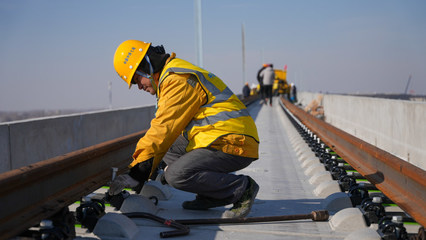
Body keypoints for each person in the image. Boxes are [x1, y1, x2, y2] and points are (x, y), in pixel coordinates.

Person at [109, 40, 260, 218]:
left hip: (233, 141)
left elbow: (162, 129)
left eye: (137, 80)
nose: (139, 87)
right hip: (220, 134)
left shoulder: (176, 80)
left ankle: (242, 189)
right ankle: (212, 194)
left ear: (147, 66)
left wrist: (137, 172)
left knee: (176, 175)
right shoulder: (171, 74)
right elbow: (166, 136)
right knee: (167, 149)